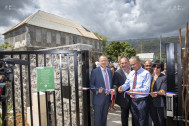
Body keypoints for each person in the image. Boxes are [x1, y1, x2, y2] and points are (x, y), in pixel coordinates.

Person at [118, 56, 151, 126]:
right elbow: (126, 84)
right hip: (133, 101)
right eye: (131, 65)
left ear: (139, 63)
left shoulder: (146, 74)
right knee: (135, 121)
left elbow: (146, 89)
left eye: (134, 64)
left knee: (142, 122)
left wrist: (133, 91)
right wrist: (121, 88)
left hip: (142, 101)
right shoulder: (131, 73)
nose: (132, 66)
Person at [90, 55, 115, 126]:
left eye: (105, 60)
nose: (104, 62)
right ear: (99, 62)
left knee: (104, 118)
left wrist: (113, 89)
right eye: (102, 61)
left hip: (107, 99)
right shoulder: (95, 71)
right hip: (98, 99)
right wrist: (97, 90)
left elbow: (111, 83)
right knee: (97, 120)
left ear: (107, 61)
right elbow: (91, 85)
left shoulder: (110, 72)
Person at [113, 56, 131, 126]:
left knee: (136, 117)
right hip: (123, 99)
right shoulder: (117, 73)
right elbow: (115, 84)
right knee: (124, 117)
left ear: (128, 62)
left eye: (125, 63)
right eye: (122, 63)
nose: (124, 65)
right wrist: (116, 89)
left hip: (135, 98)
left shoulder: (134, 70)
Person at [149, 60, 167, 126]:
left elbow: (163, 90)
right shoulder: (150, 77)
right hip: (150, 102)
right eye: (154, 66)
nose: (155, 69)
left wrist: (156, 93)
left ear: (161, 68)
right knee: (155, 121)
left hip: (159, 103)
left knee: (161, 121)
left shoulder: (164, 77)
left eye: (158, 67)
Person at [144, 60, 154, 126]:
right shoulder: (142, 75)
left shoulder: (156, 75)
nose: (148, 67)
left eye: (150, 65)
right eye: (147, 66)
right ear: (144, 66)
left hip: (154, 100)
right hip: (144, 99)